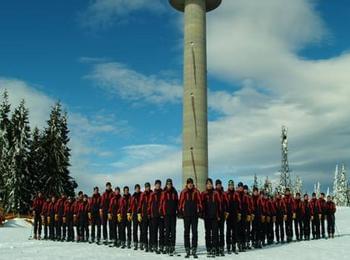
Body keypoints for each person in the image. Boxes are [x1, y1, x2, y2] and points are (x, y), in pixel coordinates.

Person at [179, 178, 202, 258]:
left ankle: (194, 248)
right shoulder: (183, 192)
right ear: (187, 184)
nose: (190, 184)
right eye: (189, 183)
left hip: (194, 215)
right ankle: (187, 248)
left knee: (195, 232)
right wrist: (180, 212)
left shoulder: (196, 191)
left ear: (193, 184)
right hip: (186, 216)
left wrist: (200, 211)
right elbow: (180, 202)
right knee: (186, 232)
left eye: (191, 183)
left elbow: (200, 202)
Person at [201, 178, 221, 257]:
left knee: (215, 233)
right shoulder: (203, 193)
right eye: (208, 183)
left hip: (215, 217)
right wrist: (202, 213)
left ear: (212, 185)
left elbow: (219, 205)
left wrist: (219, 215)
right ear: (206, 185)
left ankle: (215, 248)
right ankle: (208, 248)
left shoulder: (215, 193)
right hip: (207, 217)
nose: (209, 185)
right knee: (208, 233)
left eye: (210, 183)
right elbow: (201, 204)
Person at [160, 178, 178, 256]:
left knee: (173, 231)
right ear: (166, 184)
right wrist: (161, 212)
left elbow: (177, 202)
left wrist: (179, 211)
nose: (169, 185)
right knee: (167, 231)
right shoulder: (164, 192)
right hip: (166, 215)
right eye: (168, 184)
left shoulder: (175, 192)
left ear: (172, 184)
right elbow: (161, 203)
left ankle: (172, 246)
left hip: (173, 215)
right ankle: (167, 246)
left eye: (170, 184)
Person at [225, 180, 240, 254]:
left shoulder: (236, 194)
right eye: (230, 185)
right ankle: (228, 246)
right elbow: (224, 203)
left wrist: (239, 213)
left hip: (234, 215)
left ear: (233, 185)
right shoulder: (226, 193)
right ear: (228, 186)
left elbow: (239, 204)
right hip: (228, 216)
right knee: (228, 232)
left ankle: (234, 246)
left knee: (234, 232)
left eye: (232, 185)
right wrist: (225, 212)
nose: (231, 186)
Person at [149, 179, 164, 254]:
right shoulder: (152, 194)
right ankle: (155, 246)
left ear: (160, 185)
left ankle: (161, 246)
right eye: (156, 184)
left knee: (161, 232)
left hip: (161, 216)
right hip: (154, 216)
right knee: (154, 232)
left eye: (159, 184)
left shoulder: (163, 193)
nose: (158, 185)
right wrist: (149, 213)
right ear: (155, 185)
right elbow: (149, 204)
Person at [236, 182, 251, 252]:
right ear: (238, 187)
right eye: (239, 187)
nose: (240, 188)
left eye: (241, 187)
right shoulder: (236, 194)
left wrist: (249, 214)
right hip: (237, 215)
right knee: (238, 230)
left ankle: (243, 243)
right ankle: (239, 244)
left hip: (244, 215)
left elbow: (248, 206)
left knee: (243, 230)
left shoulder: (245, 196)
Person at [138, 182, 152, 252]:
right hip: (144, 215)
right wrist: (139, 213)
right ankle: (145, 244)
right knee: (144, 231)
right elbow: (140, 204)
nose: (147, 188)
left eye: (148, 187)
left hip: (151, 215)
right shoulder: (143, 194)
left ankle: (150, 244)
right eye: (146, 187)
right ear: (145, 187)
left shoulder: (152, 193)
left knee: (152, 231)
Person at [215, 179, 226, 256]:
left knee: (221, 232)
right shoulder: (214, 193)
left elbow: (226, 203)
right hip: (215, 216)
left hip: (222, 215)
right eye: (217, 184)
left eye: (219, 184)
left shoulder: (224, 193)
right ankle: (216, 247)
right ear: (216, 185)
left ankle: (221, 247)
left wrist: (226, 212)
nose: (218, 185)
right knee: (215, 233)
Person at [129, 184, 142, 250]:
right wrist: (129, 212)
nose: (137, 189)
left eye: (138, 188)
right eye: (136, 188)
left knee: (142, 230)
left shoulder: (142, 195)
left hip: (140, 214)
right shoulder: (133, 196)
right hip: (134, 215)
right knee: (134, 230)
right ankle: (135, 243)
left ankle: (142, 243)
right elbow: (130, 205)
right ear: (135, 189)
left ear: (139, 189)